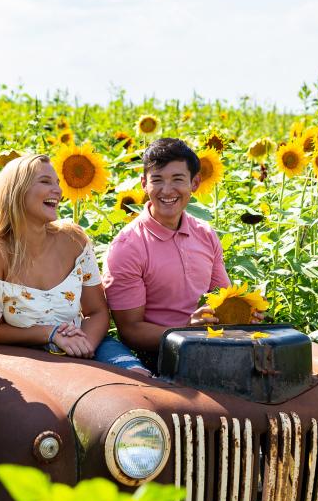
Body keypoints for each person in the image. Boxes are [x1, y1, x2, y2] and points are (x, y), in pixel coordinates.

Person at [0, 154, 150, 375]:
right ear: (16, 190)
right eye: (45, 181)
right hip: (26, 355)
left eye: (57, 183)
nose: (58, 191)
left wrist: (80, 345)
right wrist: (50, 334)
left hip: (88, 344)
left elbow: (97, 311)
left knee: (141, 380)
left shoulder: (73, 239)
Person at [103, 138, 260, 364]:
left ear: (194, 183)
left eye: (178, 179)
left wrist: (245, 313)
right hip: (160, 357)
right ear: (143, 184)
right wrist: (185, 331)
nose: (167, 190)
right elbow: (131, 331)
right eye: (157, 180)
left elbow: (222, 298)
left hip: (213, 345)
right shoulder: (127, 247)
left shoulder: (205, 234)